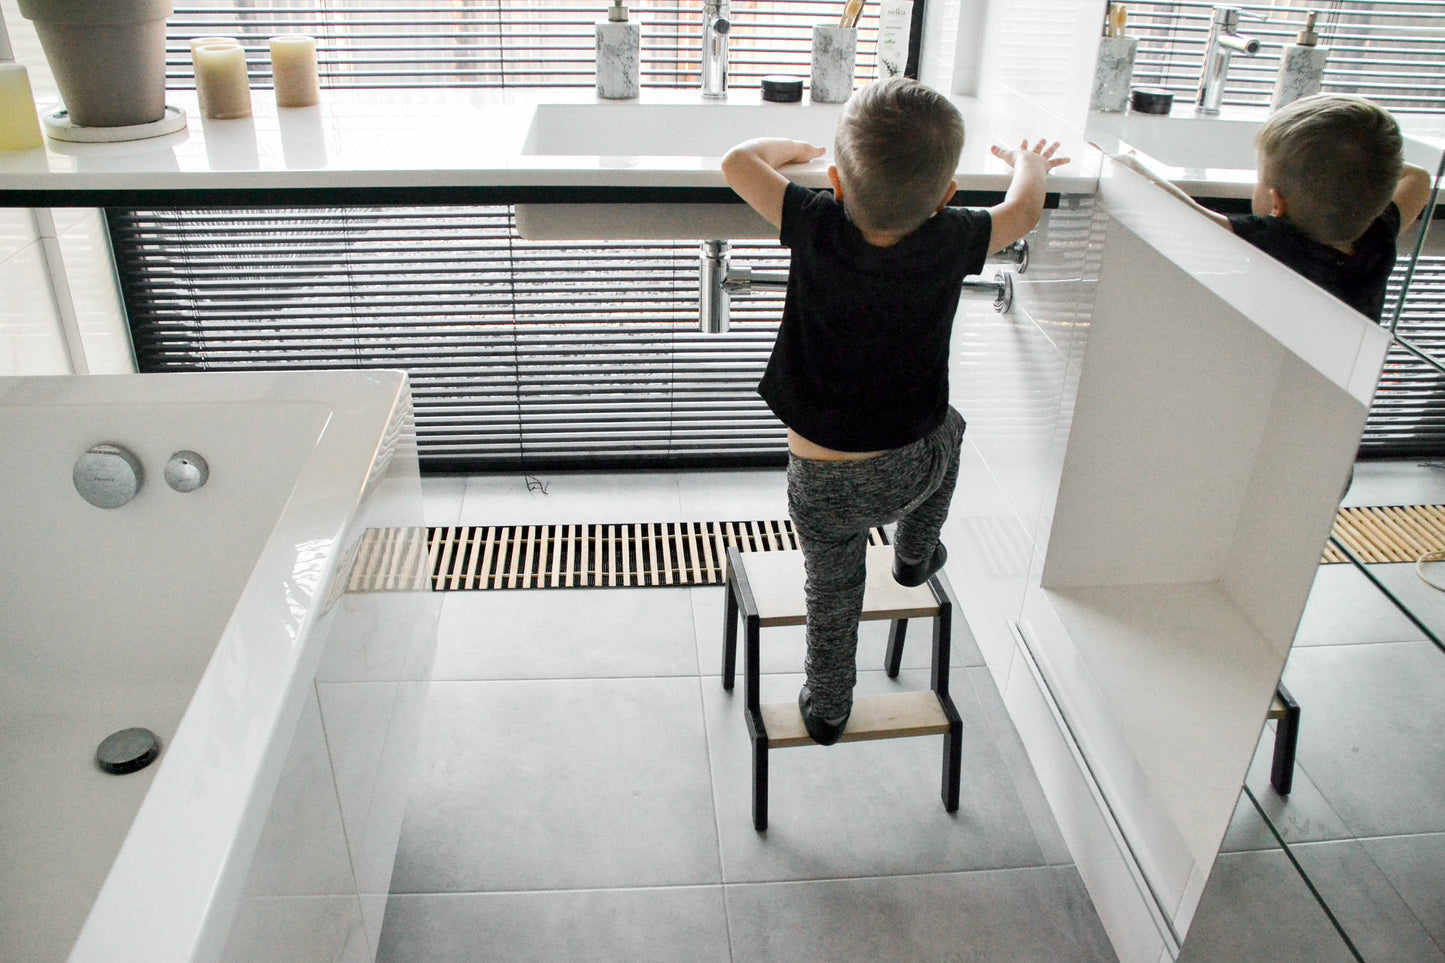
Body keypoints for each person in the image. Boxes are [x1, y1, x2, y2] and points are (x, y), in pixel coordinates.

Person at [721, 77, 1068, 745]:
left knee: (832, 591)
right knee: (955, 428)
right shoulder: (953, 236)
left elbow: (736, 164)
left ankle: (827, 706)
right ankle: (914, 553)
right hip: (915, 467)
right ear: (944, 197)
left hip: (819, 485)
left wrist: (779, 145)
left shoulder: (814, 219)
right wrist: (1030, 163)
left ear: (836, 183)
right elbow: (1023, 211)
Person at [1114, 93, 1432, 323]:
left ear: (1278, 203)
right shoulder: (1377, 233)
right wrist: (1363, 168)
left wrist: (1128, 162)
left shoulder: (1278, 240)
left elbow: (1186, 217)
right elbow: (1418, 178)